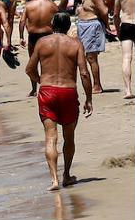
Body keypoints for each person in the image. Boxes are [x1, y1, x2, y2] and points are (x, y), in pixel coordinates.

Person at [25, 12, 94, 191]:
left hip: (47, 92)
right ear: (68, 26)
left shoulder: (41, 42)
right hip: (68, 92)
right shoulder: (76, 44)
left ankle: (54, 180)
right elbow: (84, 73)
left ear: (52, 24)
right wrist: (89, 98)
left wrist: (42, 82)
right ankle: (66, 175)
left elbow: (29, 69)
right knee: (69, 137)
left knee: (50, 137)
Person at [64, 0, 109, 94]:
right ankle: (94, 84)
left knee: (91, 57)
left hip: (91, 26)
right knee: (85, 56)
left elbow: (104, 11)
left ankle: (97, 85)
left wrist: (107, 26)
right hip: (85, 26)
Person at [113, 0, 135, 99]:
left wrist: (117, 29)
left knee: (127, 58)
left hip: (126, 24)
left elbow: (116, 14)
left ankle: (127, 90)